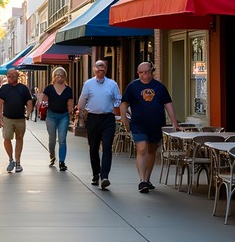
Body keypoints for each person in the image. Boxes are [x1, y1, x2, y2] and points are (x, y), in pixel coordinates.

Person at [120, 61, 179, 193]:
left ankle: (147, 179)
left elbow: (168, 104)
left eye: (147, 71)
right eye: (141, 72)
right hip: (138, 124)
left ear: (151, 71)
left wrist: (174, 122)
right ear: (138, 73)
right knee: (142, 149)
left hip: (156, 124)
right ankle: (142, 180)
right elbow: (124, 103)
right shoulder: (133, 86)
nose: (145, 74)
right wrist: (125, 120)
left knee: (151, 151)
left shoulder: (159, 87)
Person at [76, 59, 122, 189]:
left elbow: (118, 99)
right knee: (93, 147)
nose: (101, 69)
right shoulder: (88, 84)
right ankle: (96, 174)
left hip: (108, 119)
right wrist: (81, 115)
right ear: (94, 69)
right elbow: (82, 101)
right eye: (98, 66)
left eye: (103, 67)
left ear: (106, 69)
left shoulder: (112, 84)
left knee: (107, 147)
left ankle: (105, 176)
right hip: (93, 119)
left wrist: (115, 109)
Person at [0, 67, 33, 173]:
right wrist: (0, 117)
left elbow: (29, 102)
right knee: (7, 138)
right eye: (8, 76)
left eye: (13, 75)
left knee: (19, 138)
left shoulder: (23, 88)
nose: (11, 77)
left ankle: (18, 162)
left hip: (20, 118)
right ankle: (11, 159)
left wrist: (28, 113)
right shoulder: (3, 88)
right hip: (7, 118)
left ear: (17, 76)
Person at [41, 67, 75, 170]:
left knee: (62, 140)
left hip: (63, 117)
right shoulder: (49, 88)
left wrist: (71, 113)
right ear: (54, 77)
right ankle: (52, 156)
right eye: (57, 75)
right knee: (52, 139)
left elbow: (70, 103)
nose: (59, 77)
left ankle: (62, 162)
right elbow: (43, 100)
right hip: (51, 116)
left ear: (65, 77)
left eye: (61, 75)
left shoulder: (68, 90)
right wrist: (43, 103)